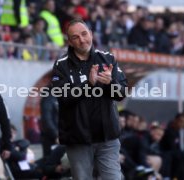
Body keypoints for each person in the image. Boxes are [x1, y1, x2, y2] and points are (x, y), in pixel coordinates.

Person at [51, 19, 128, 180]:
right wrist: (88, 84)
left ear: (91, 34)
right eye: (75, 37)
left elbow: (121, 93)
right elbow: (64, 98)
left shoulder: (108, 59)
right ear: (70, 42)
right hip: (78, 139)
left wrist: (109, 83)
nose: (82, 39)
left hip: (107, 138)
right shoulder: (61, 65)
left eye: (84, 34)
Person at [40, 86, 59, 158]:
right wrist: (56, 135)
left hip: (59, 135)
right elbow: (46, 119)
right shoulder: (49, 97)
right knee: (51, 161)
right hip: (52, 137)